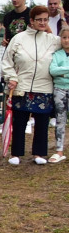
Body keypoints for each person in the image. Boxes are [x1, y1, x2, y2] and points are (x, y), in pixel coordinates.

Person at [2, 6, 61, 165]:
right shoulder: (18, 39)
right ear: (32, 21)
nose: (42, 23)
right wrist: (11, 77)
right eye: (39, 20)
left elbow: (66, 39)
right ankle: (16, 153)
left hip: (44, 87)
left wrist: (62, 15)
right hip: (22, 86)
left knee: (42, 122)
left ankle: (39, 153)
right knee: (20, 121)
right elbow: (6, 62)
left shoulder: (53, 40)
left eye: (45, 20)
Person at [49, 29, 69, 163]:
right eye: (64, 37)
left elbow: (58, 71)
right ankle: (59, 151)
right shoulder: (56, 54)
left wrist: (62, 72)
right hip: (60, 90)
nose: (66, 40)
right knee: (60, 120)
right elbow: (53, 70)